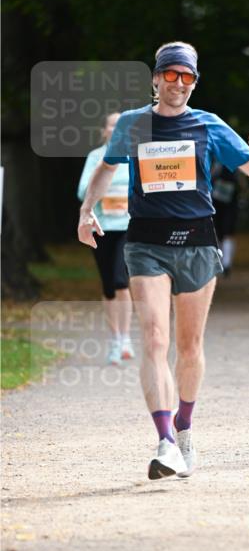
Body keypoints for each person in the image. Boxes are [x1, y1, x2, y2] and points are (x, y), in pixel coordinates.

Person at [77, 41, 249, 480]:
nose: (178, 84)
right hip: (145, 241)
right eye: (171, 75)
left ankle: (184, 427)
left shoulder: (209, 125)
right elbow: (107, 168)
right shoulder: (132, 124)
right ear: (155, 78)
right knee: (154, 339)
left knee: (189, 348)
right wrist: (86, 209)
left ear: (195, 82)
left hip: (200, 242)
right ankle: (165, 440)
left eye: (187, 77)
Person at [77, 112, 134, 365]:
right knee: (109, 285)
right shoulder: (95, 157)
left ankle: (125, 338)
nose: (117, 129)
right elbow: (82, 191)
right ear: (105, 131)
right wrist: (102, 186)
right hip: (102, 227)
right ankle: (115, 338)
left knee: (122, 281)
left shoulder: (135, 156)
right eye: (113, 125)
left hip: (128, 226)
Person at [211, 164, 239, 277]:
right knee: (220, 233)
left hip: (229, 201)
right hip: (217, 201)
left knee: (226, 232)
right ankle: (223, 264)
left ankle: (226, 264)